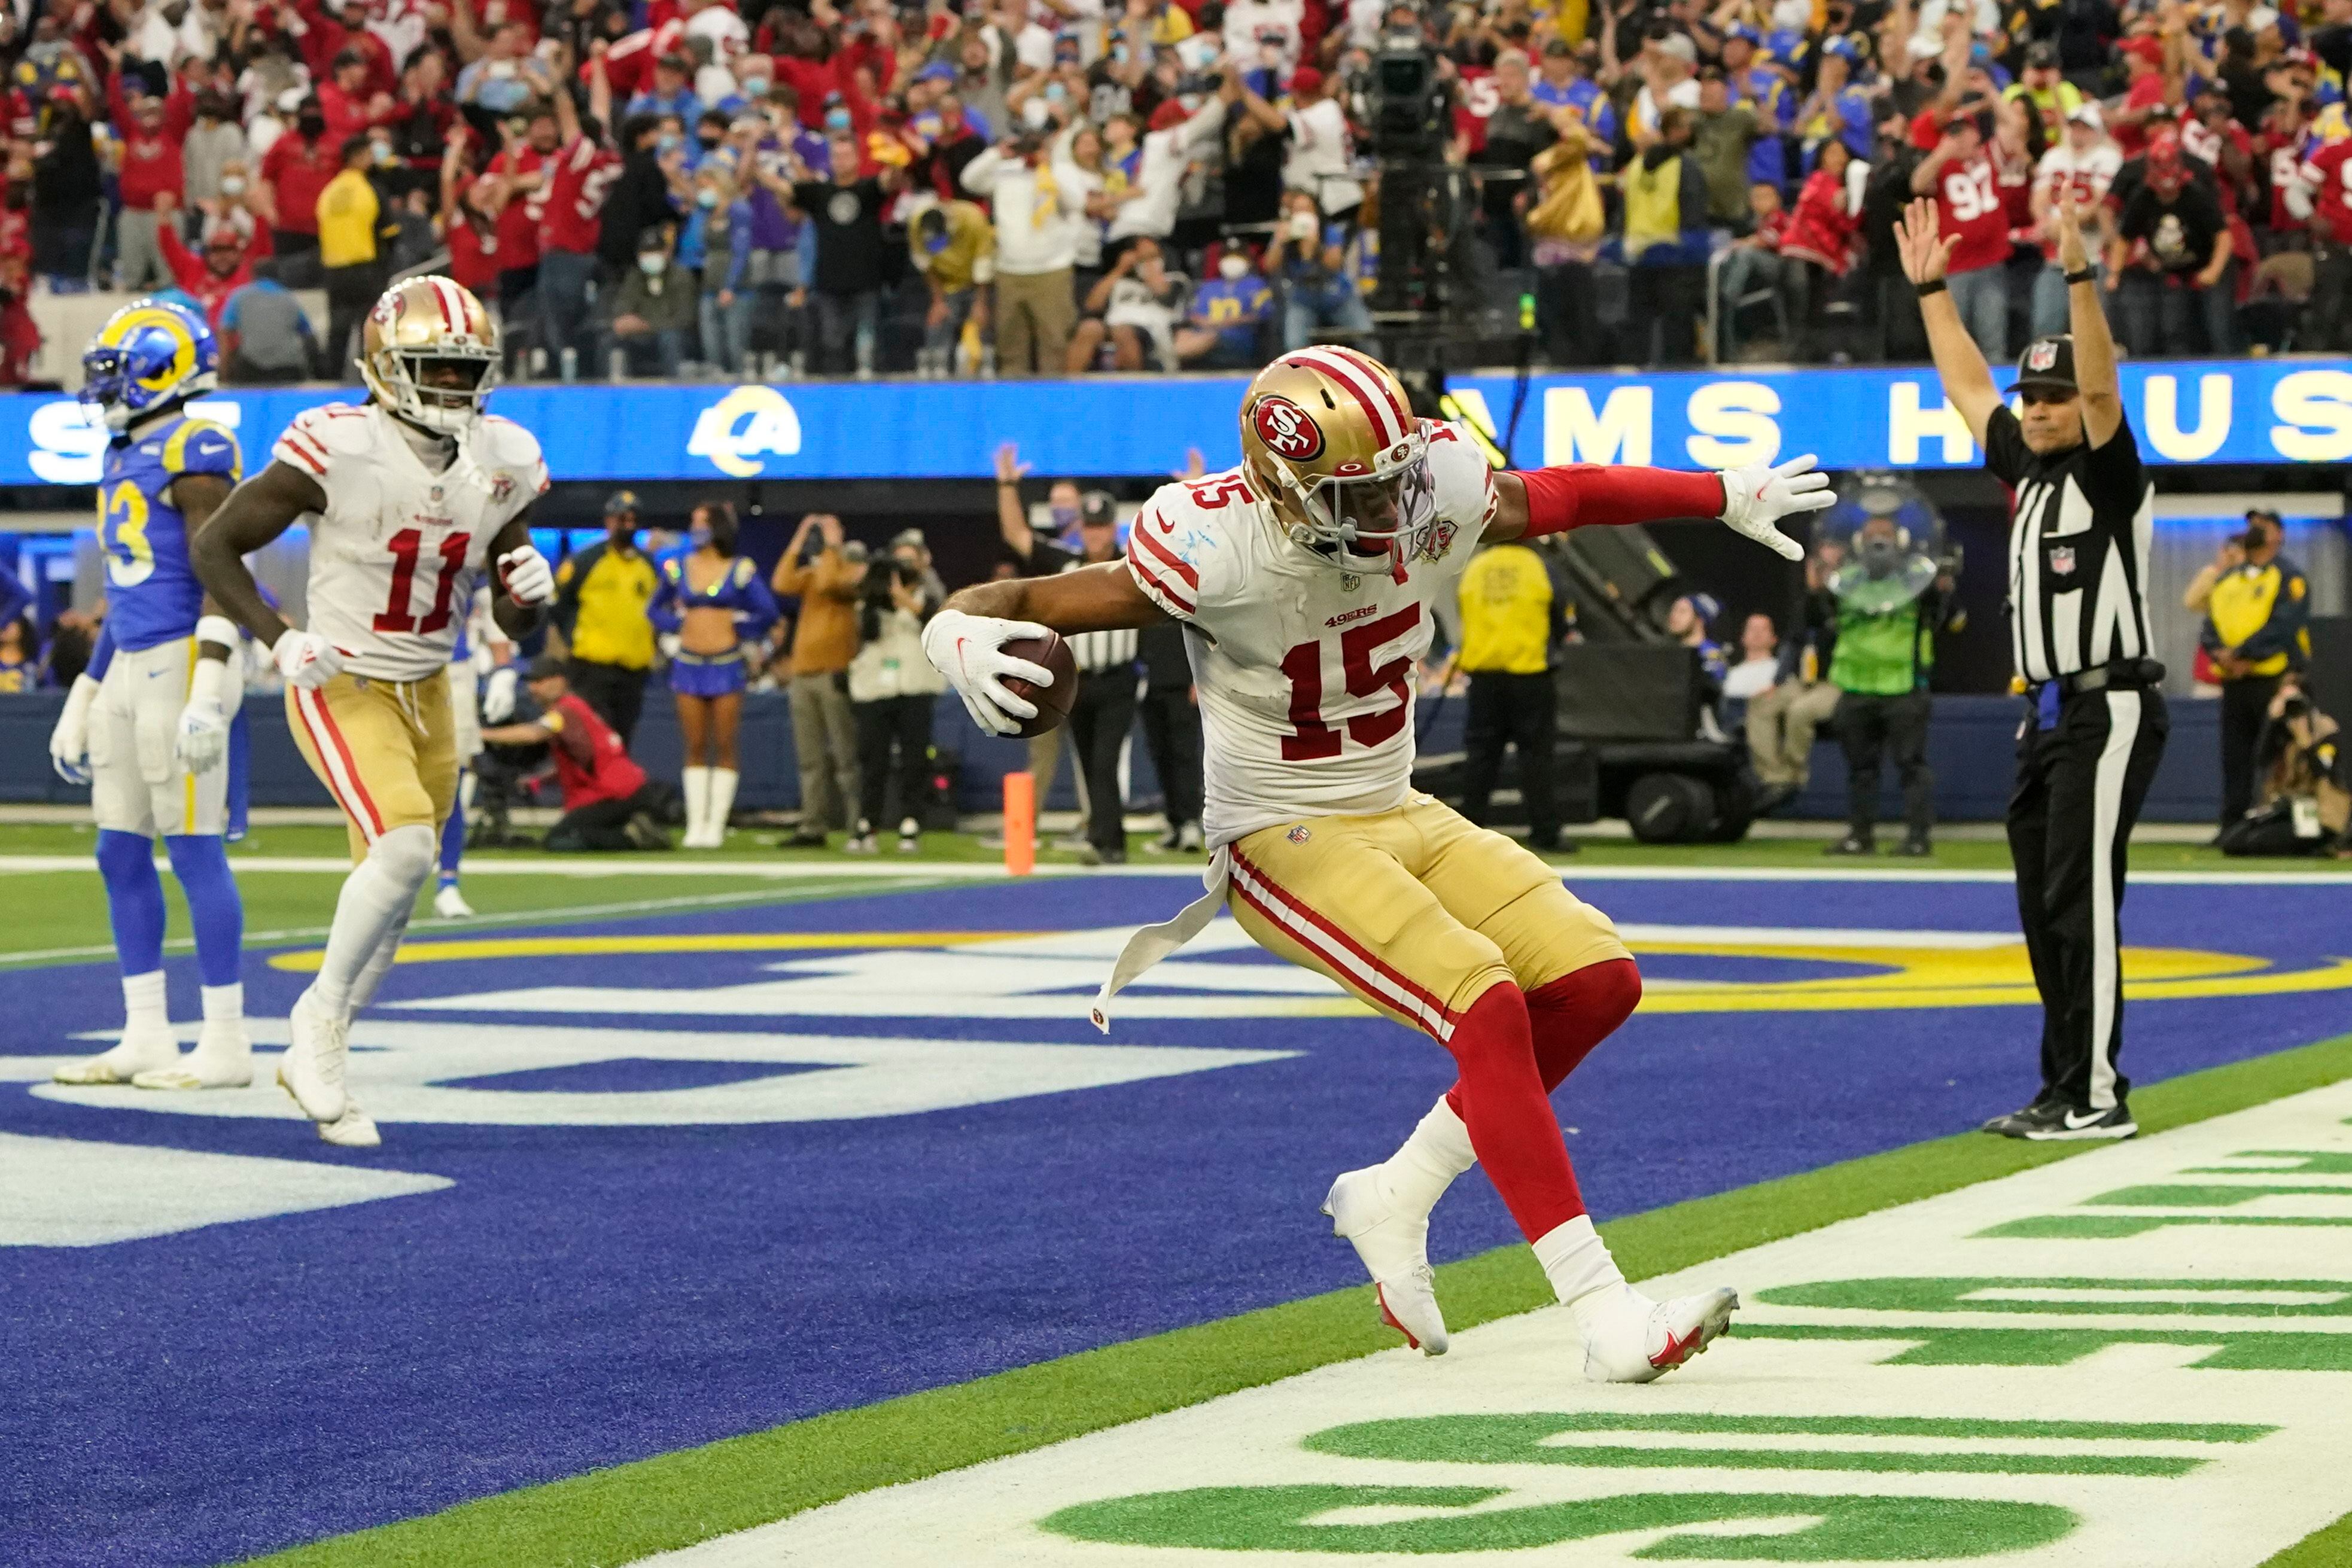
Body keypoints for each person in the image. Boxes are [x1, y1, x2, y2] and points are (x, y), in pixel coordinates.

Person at [923, 344, 1832, 1377]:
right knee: (1484, 1004)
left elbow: (1565, 493)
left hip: (1396, 802)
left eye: (1394, 478)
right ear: (1278, 483)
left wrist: (1716, 491)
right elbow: (1026, 599)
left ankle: (1395, 1192)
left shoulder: (1425, 481)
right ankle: (1603, 1312)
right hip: (1280, 834)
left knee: (1595, 982)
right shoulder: (1212, 544)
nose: (1388, 509)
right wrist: (950, 630)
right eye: (1355, 493)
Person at [190, 274, 557, 1149]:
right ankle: (315, 1027)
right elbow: (215, 545)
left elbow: (509, 597)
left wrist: (528, 597)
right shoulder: (338, 443)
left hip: (431, 686)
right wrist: (277, 639)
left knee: (394, 900)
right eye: (433, 368)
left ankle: (323, 1058)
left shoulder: (499, 455)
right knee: (404, 846)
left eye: (465, 372)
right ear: (387, 365)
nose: (453, 390)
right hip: (344, 678)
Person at [1895, 192, 2165, 1143]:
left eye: (2051, 398)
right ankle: (2061, 1085)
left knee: (2078, 899)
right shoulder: (2026, 464)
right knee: (2040, 903)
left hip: (2106, 705)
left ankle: (2097, 1095)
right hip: (2044, 713)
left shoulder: (2103, 468)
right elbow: (1967, 387)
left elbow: (2100, 397)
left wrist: (2077, 273)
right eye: (2033, 398)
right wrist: (1930, 289)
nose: (2041, 410)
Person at [44, 301, 250, 1092]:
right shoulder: (122, 450)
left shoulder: (196, 446)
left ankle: (226, 1041)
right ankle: (147, 1033)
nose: (106, 384)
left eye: (116, 367)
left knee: (193, 847)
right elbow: (129, 587)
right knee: (118, 847)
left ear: (163, 364)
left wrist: (209, 678)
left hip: (184, 657)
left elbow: (222, 570)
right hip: (130, 658)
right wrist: (88, 685)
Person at [1812, 513, 1960, 857]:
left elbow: (1945, 619)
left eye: (1886, 536)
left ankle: (1918, 838)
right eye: (1872, 536)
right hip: (1854, 685)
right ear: (1859, 543)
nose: (1879, 543)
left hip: (1904, 686)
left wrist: (1944, 587)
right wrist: (1818, 581)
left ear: (1902, 542)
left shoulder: (1918, 581)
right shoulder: (1843, 581)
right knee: (1859, 770)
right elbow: (1818, 620)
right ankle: (1860, 837)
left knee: (1912, 767)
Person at [651, 502, 779, 850]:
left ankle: (715, 824)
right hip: (689, 662)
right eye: (693, 523)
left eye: (702, 524)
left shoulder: (739, 569)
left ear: (718, 529)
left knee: (724, 743)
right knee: (694, 744)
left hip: (726, 662)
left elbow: (768, 610)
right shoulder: (677, 568)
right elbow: (653, 608)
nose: (696, 530)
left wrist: (739, 628)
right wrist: (679, 625)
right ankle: (696, 824)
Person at [2195, 508, 2311, 832]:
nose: (2255, 531)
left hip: (2271, 680)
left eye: (2263, 526)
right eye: (2252, 526)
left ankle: (2275, 825)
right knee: (2235, 757)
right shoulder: (2229, 577)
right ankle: (2233, 826)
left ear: (2278, 534)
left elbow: (2284, 625)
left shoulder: (2289, 576)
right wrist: (2221, 654)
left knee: (2277, 756)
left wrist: (2246, 654)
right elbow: (2210, 622)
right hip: (2234, 681)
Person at [480, 656, 672, 851]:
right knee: (568, 833)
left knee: (561, 839)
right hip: (627, 787)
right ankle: (631, 827)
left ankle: (632, 837)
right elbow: (584, 759)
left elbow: (533, 734)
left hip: (611, 792)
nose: (533, 688)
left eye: (539, 681)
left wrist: (481, 734)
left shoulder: (564, 711)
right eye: (530, 682)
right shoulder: (577, 707)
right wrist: (540, 781)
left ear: (561, 681)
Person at [1455, 538, 1567, 854]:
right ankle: (1546, 833)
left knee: (1480, 757)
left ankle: (1468, 833)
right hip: (1531, 675)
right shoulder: (1538, 566)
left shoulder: (1475, 568)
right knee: (1536, 757)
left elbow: (1465, 613)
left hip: (1484, 677)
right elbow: (1559, 615)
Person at [771, 512, 863, 847]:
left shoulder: (850, 572)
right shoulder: (815, 572)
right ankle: (813, 825)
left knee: (845, 756)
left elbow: (829, 583)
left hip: (834, 673)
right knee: (810, 758)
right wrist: (798, 539)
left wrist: (832, 547)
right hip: (804, 674)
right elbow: (781, 582)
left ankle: (858, 823)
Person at [846, 549, 947, 853]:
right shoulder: (871, 601)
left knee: (915, 757)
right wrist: (876, 598)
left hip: (916, 687)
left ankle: (911, 821)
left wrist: (905, 600)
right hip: (876, 688)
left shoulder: (929, 597)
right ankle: (868, 823)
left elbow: (937, 627)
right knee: (873, 758)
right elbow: (866, 634)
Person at [551, 491, 658, 747]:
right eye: (623, 518)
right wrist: (572, 640)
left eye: (634, 519)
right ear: (609, 521)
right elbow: (558, 605)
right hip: (592, 667)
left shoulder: (648, 565)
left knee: (622, 741)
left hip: (634, 670)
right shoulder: (586, 560)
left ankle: (616, 788)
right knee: (591, 739)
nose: (628, 524)